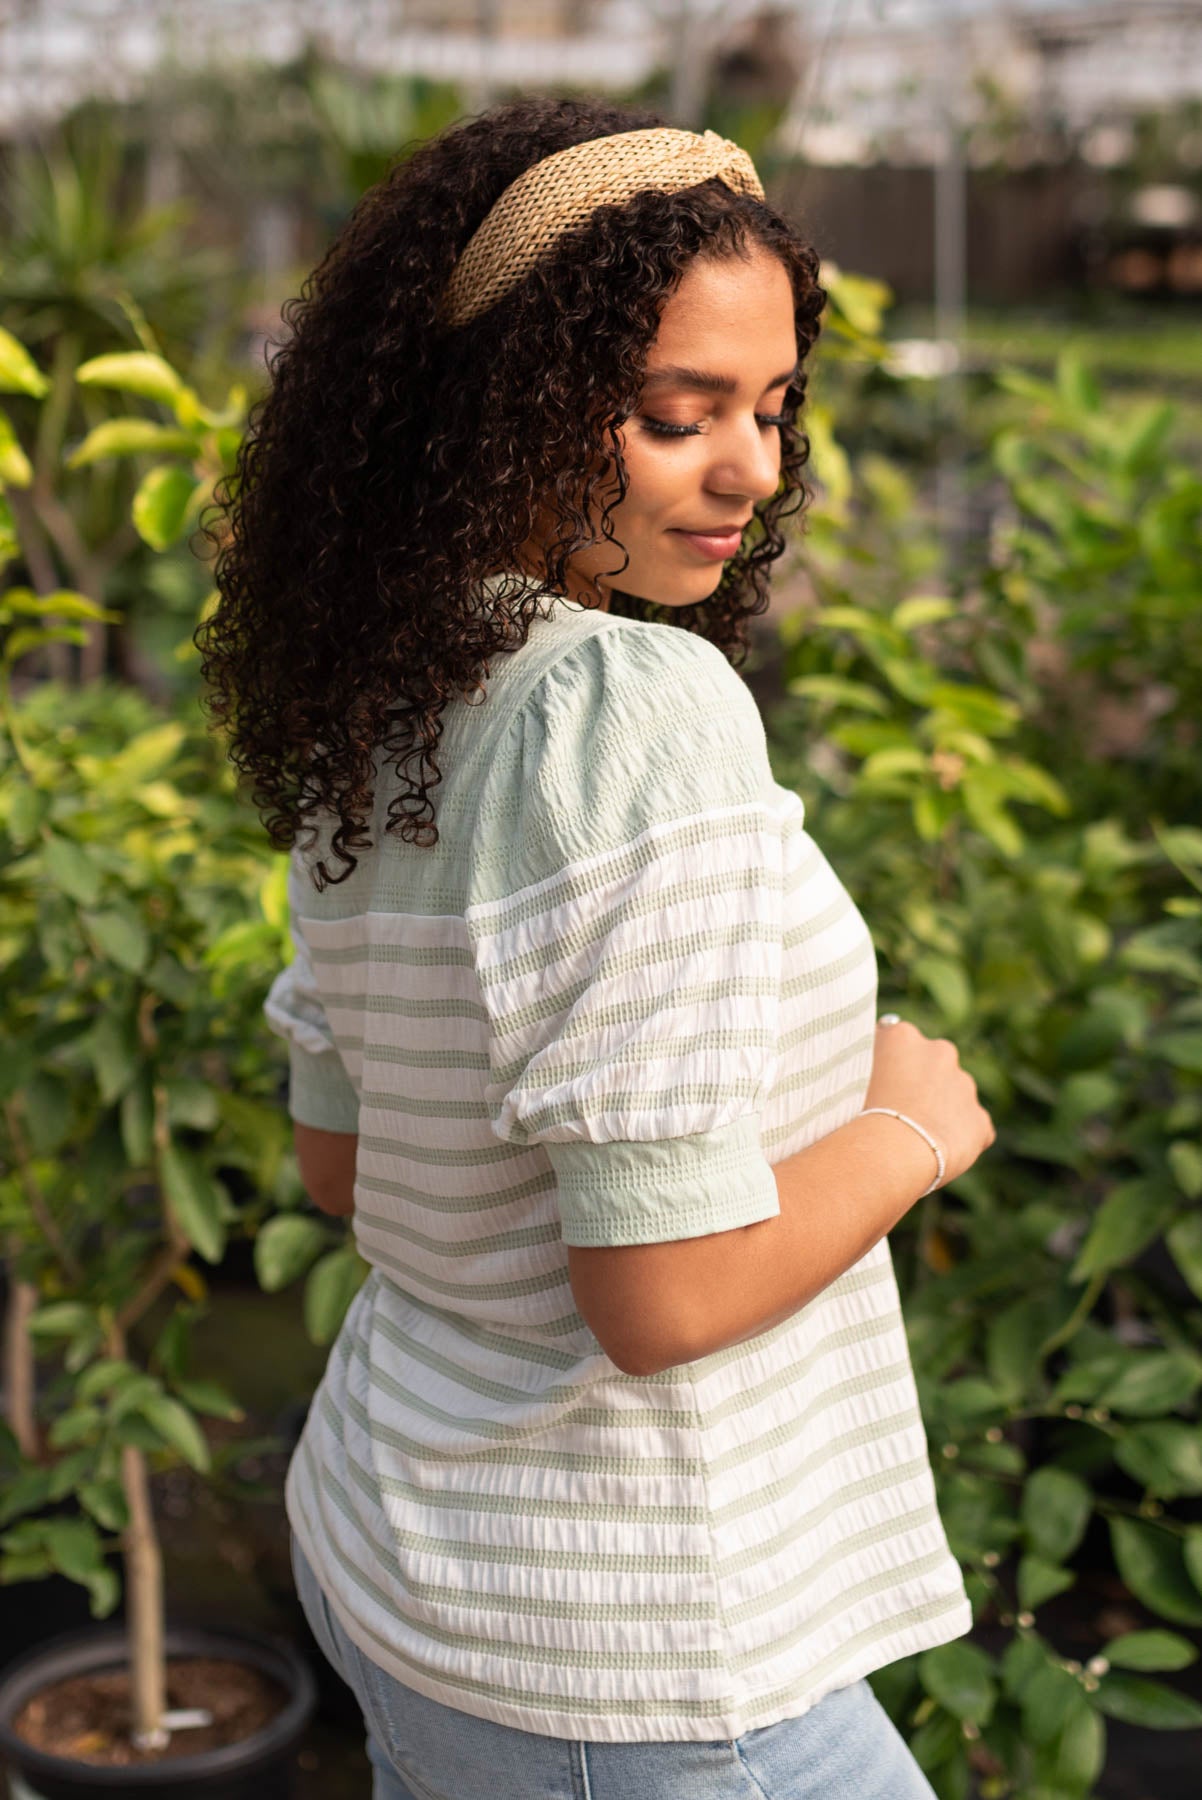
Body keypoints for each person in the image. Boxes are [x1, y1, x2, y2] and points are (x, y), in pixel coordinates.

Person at [198, 93, 995, 1800]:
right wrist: (909, 1128)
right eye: (670, 414)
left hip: (397, 1555)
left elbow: (346, 1170)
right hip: (630, 1648)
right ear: (510, 407)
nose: (751, 470)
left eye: (772, 408)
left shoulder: (385, 697)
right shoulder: (625, 702)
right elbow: (661, 1293)